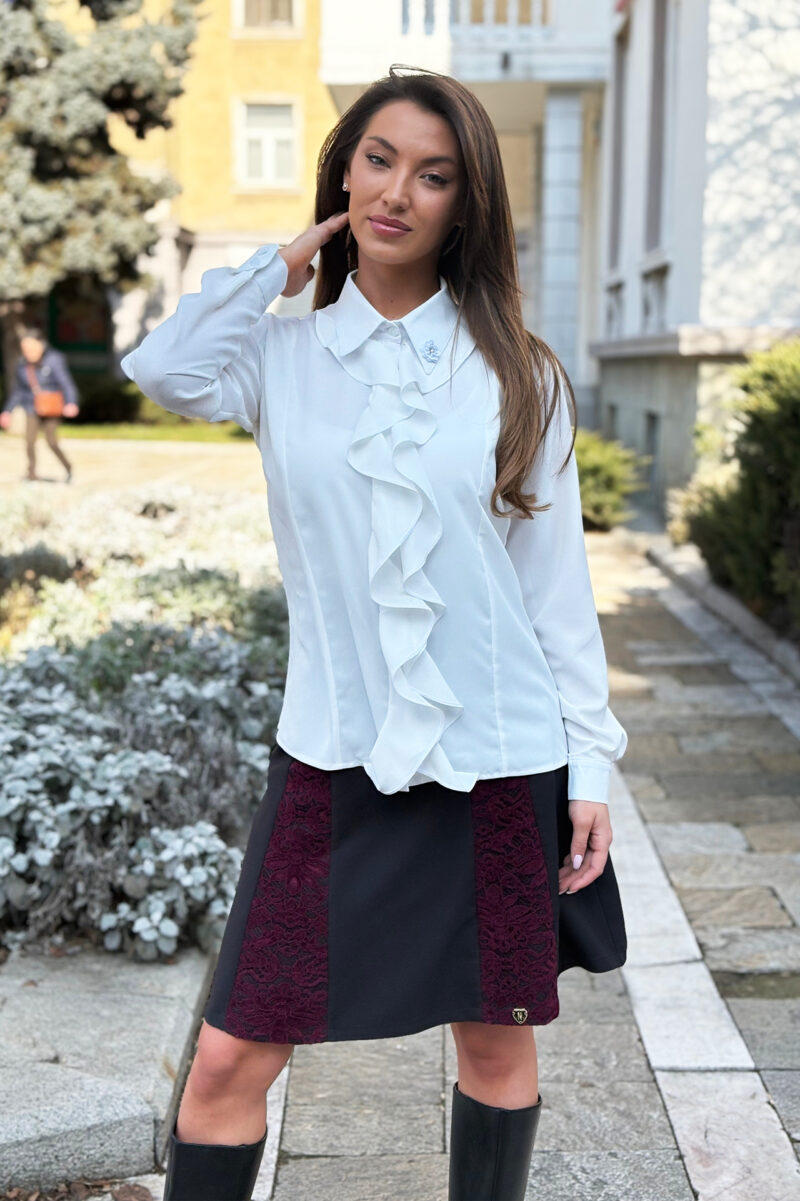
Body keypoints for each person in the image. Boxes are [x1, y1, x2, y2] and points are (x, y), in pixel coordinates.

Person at [121, 65, 629, 1201]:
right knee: (226, 1060)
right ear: (343, 173)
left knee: (493, 1041)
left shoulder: (521, 376)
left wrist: (589, 765)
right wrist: (277, 266)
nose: (399, 192)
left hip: (496, 759)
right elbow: (162, 368)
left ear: (466, 204)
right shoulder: (278, 357)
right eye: (379, 160)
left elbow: (552, 594)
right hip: (333, 755)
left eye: (434, 175)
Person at [0, 326, 79, 481]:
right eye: (24, 348)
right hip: (31, 405)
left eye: (30, 347)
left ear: (41, 344)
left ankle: (68, 468)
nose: (28, 352)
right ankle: (32, 474)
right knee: (29, 442)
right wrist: (7, 411)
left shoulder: (54, 359)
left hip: (51, 406)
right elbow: (18, 391)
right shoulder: (22, 364)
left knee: (51, 441)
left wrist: (71, 402)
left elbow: (66, 383)